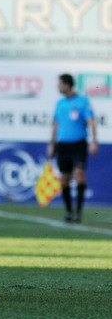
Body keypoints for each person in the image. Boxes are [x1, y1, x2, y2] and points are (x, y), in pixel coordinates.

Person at [47, 73, 98, 223]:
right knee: (64, 180)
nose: (58, 86)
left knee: (80, 175)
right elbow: (55, 125)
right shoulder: (60, 103)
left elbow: (91, 121)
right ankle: (69, 212)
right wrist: (51, 144)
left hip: (79, 144)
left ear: (67, 85)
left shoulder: (83, 102)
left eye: (60, 83)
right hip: (63, 145)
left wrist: (94, 141)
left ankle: (79, 212)